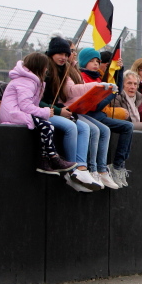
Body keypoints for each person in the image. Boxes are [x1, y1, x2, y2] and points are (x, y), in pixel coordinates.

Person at [41, 36, 106, 192]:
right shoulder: (46, 71)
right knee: (71, 127)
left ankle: (81, 168)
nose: (64, 57)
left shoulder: (63, 71)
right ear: (51, 53)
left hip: (56, 110)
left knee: (84, 127)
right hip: (43, 112)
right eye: (60, 54)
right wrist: (59, 111)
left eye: (66, 54)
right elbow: (37, 101)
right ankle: (72, 170)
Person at [0, 53, 76, 175]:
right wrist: (45, 111)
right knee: (47, 126)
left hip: (16, 113)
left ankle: (45, 160)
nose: (47, 70)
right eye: (45, 67)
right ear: (39, 67)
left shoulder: (30, 81)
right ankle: (53, 158)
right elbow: (26, 106)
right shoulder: (26, 82)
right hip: (13, 114)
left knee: (45, 125)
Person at [75, 48, 134, 188]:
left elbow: (116, 89)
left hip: (98, 115)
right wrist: (110, 94)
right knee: (103, 130)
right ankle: (97, 169)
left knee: (128, 127)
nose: (96, 64)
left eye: (97, 61)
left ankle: (117, 166)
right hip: (90, 115)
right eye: (92, 61)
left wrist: (119, 70)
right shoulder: (83, 78)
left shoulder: (97, 77)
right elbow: (94, 105)